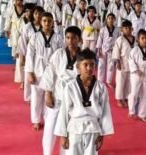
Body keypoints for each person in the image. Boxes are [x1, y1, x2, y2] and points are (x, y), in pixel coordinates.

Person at [54, 48, 114, 155]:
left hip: (93, 129)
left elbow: (105, 111)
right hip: (74, 129)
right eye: (85, 65)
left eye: (92, 65)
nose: (89, 68)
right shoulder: (70, 87)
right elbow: (64, 111)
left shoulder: (101, 87)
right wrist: (63, 135)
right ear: (78, 67)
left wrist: (102, 134)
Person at [39, 25, 82, 155]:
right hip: (57, 96)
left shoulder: (83, 57)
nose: (70, 41)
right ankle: (47, 153)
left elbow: (87, 79)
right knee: (50, 128)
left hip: (74, 99)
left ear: (79, 39)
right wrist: (47, 93)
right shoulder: (59, 54)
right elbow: (50, 73)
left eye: (74, 38)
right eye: (67, 38)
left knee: (70, 130)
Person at [26, 12, 64, 131]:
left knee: (51, 96)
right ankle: (36, 120)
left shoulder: (58, 38)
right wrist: (30, 72)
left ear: (53, 23)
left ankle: (48, 119)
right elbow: (29, 55)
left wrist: (60, 73)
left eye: (49, 21)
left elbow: (61, 56)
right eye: (44, 21)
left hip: (53, 72)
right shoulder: (35, 37)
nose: (47, 23)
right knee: (36, 98)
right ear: (41, 22)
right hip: (37, 70)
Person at [111, 20, 135, 108]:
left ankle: (126, 98)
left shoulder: (135, 39)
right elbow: (116, 51)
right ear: (122, 29)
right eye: (126, 28)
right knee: (120, 82)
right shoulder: (120, 40)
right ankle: (119, 99)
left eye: (129, 28)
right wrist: (117, 62)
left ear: (132, 29)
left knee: (129, 83)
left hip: (132, 65)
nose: (128, 30)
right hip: (122, 64)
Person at [95, 13, 118, 87]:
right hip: (103, 49)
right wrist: (99, 49)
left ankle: (109, 81)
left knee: (111, 66)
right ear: (106, 19)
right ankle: (100, 81)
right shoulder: (103, 29)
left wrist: (117, 50)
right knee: (101, 66)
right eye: (109, 18)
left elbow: (118, 41)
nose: (110, 20)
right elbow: (99, 39)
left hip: (112, 50)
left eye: (112, 18)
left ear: (114, 20)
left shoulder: (117, 30)